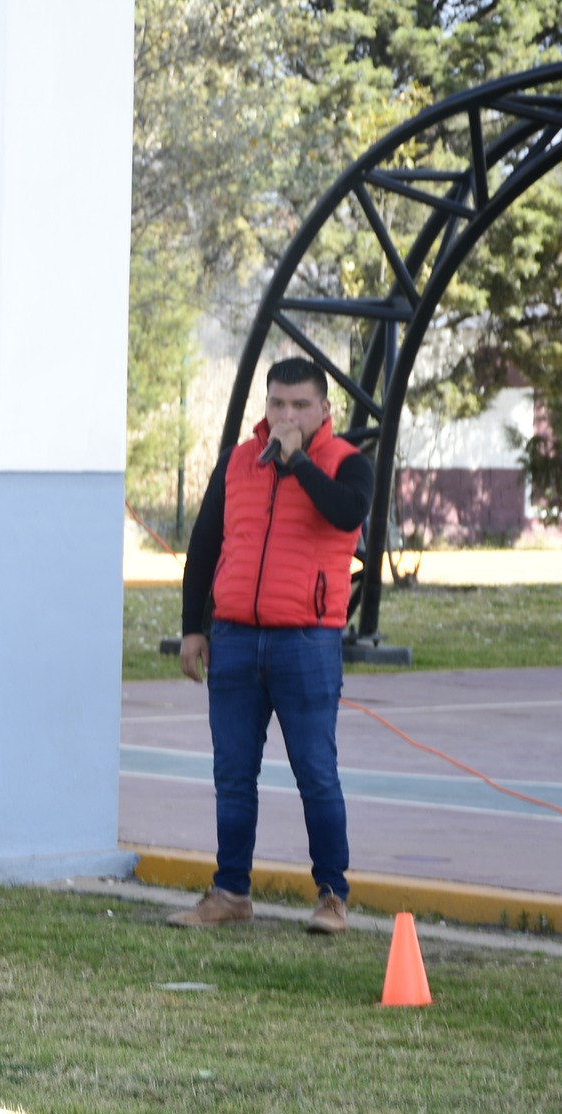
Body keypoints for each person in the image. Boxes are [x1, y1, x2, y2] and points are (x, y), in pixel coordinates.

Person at [169, 356, 374, 933]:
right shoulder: (237, 463)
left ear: (324, 410)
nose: (287, 415)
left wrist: (299, 462)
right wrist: (194, 626)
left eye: (300, 405)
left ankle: (332, 896)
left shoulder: (347, 463)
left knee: (316, 771)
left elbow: (346, 516)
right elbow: (205, 544)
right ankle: (230, 891)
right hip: (235, 638)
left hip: (307, 642)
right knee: (233, 773)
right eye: (278, 404)